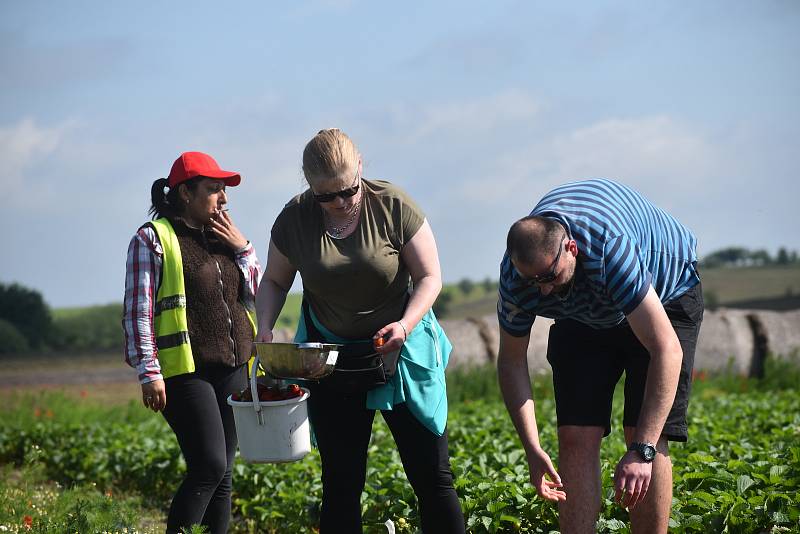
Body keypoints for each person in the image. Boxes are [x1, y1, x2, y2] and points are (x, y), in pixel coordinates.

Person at [255, 128, 465, 533]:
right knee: (341, 481)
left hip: (401, 350)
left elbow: (429, 276)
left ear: (361, 170)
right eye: (325, 196)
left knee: (432, 477)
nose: (338, 203)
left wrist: (405, 324)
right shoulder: (294, 219)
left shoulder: (392, 206)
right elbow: (275, 281)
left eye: (347, 192)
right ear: (309, 186)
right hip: (331, 361)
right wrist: (265, 324)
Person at [496, 178, 703, 534]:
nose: (543, 289)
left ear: (571, 249)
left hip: (665, 295)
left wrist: (643, 450)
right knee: (576, 434)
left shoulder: (610, 251)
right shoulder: (519, 280)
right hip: (583, 311)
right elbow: (511, 361)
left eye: (549, 276)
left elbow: (666, 349)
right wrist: (531, 448)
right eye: (534, 281)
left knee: (641, 430)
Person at [123, 151, 261, 534]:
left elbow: (258, 294)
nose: (224, 199)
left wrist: (243, 248)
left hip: (233, 367)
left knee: (225, 473)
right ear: (185, 193)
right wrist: (149, 372)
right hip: (186, 372)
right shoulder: (153, 239)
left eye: (224, 190)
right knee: (209, 467)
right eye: (214, 189)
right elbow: (138, 311)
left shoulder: (224, 239)